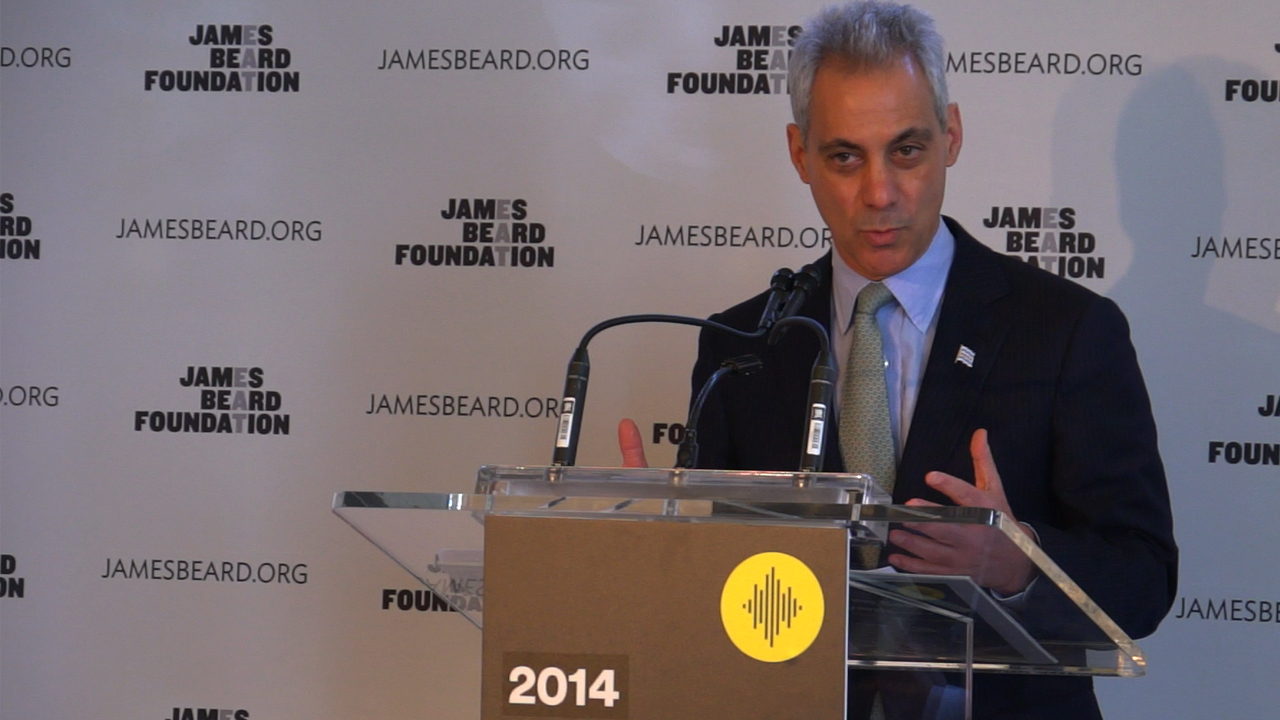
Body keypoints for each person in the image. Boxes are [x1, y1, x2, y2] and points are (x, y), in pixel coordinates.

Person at [619, 2, 1177, 718]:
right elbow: (716, 589)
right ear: (799, 154)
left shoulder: (1069, 332)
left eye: (907, 150)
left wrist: (1020, 566)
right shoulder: (741, 347)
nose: (879, 194)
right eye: (844, 156)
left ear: (952, 136)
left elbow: (1145, 576)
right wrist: (650, 555)